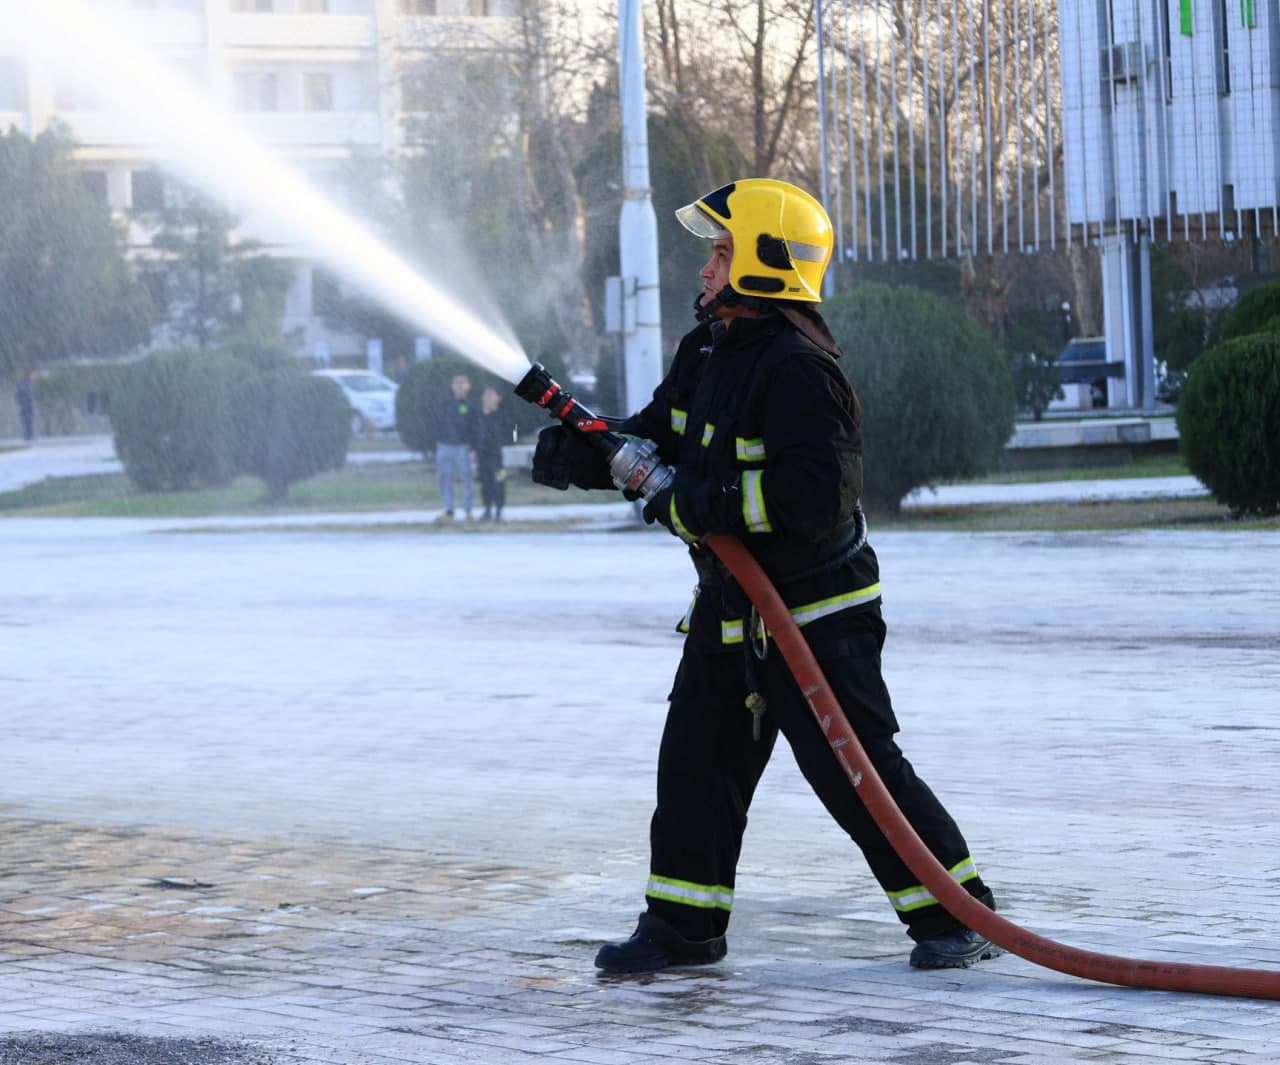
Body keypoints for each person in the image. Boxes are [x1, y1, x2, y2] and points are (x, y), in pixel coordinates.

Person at [532, 179, 1001, 973]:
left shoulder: (802, 369)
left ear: (763, 261)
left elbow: (814, 499)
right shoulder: (708, 352)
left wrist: (697, 502)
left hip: (816, 615)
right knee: (694, 767)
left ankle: (959, 911)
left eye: (721, 252)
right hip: (729, 611)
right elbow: (661, 437)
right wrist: (587, 452)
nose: (708, 269)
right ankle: (683, 926)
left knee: (857, 772)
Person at [435, 372, 476, 521]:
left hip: (463, 448)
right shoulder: (444, 404)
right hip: (445, 447)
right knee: (445, 479)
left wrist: (473, 448)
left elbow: (474, 429)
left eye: (462, 383)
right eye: (456, 383)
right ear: (452, 386)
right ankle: (449, 509)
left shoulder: (470, 406)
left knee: (467, 479)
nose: (459, 386)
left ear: (468, 387)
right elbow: (437, 423)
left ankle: (468, 509)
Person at [475, 386, 509, 522]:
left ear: (498, 398)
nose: (487, 398)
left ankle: (499, 511)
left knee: (499, 482)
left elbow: (508, 434)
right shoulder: (479, 416)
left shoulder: (502, 416)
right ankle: (487, 509)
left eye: (491, 395)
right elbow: (475, 435)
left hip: (498, 457)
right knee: (485, 483)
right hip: (483, 456)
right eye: (485, 395)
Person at [15, 369, 35, 442]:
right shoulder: (24, 383)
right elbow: (20, 394)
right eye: (33, 374)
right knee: (26, 420)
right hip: (25, 405)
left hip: (28, 405)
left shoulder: (28, 383)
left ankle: (29, 435)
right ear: (29, 374)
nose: (34, 376)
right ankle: (27, 436)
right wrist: (22, 402)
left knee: (29, 420)